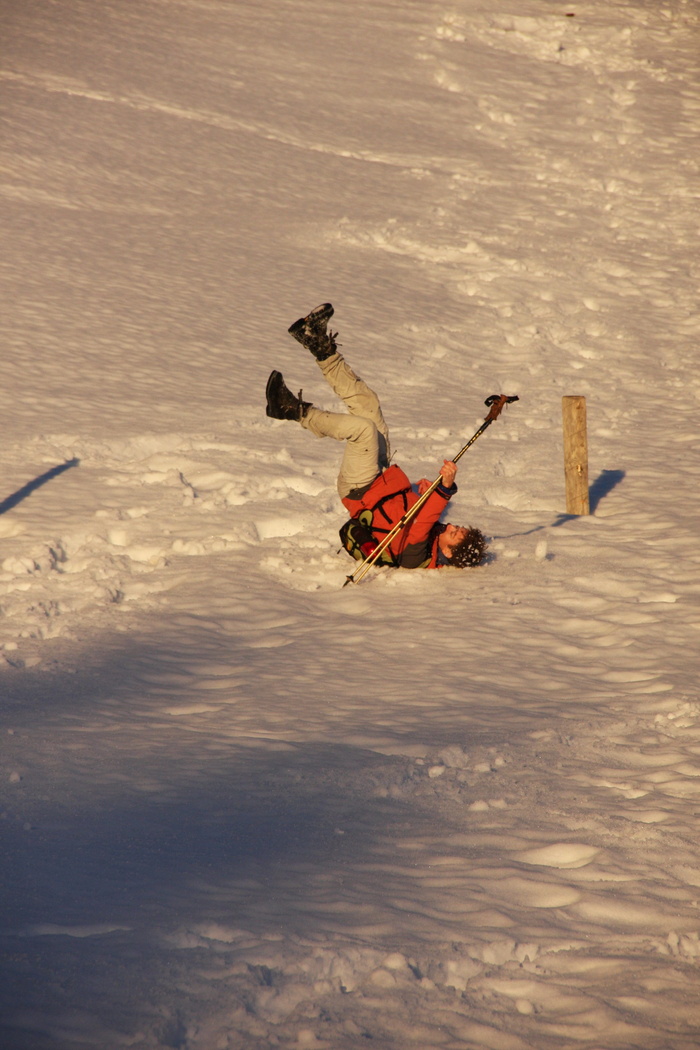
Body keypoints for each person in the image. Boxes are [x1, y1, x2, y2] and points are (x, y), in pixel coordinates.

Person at [265, 303, 487, 569]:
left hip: (359, 491)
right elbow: (417, 511)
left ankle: (292, 410)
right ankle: (316, 342)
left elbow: (423, 520)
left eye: (453, 533)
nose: (450, 525)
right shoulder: (428, 540)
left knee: (362, 430)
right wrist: (429, 489)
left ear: (449, 553)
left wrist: (445, 489)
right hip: (380, 479)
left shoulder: (416, 555)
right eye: (457, 526)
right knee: (368, 404)